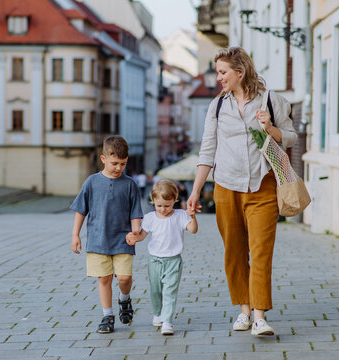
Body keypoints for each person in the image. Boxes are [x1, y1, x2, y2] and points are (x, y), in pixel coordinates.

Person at [187, 47, 297, 336]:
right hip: (226, 187)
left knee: (261, 251)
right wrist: (196, 191)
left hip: (263, 186)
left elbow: (291, 137)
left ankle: (260, 316)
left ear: (240, 72)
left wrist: (270, 127)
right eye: (217, 72)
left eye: (222, 72)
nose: (218, 78)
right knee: (234, 253)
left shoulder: (273, 100)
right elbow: (207, 150)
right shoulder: (217, 106)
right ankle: (244, 311)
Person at [71, 135, 143, 334]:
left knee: (124, 278)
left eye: (123, 163)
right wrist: (75, 235)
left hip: (123, 239)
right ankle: (107, 315)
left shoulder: (130, 185)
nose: (119, 168)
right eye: (114, 163)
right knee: (104, 278)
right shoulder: (91, 182)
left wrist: (135, 231)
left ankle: (124, 299)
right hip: (98, 240)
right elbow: (80, 210)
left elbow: (135, 212)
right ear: (103, 159)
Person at [126, 180, 198, 335]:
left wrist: (192, 216)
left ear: (174, 201)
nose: (163, 209)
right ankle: (158, 313)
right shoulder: (150, 217)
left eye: (167, 205)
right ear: (153, 202)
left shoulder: (180, 215)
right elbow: (142, 236)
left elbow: (192, 230)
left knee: (170, 291)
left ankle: (167, 321)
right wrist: (134, 237)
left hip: (173, 260)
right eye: (159, 206)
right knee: (155, 290)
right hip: (154, 260)